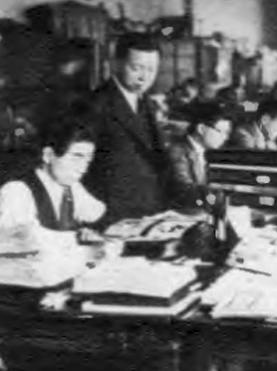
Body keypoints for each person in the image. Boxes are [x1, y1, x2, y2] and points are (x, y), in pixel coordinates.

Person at [84, 32, 170, 226]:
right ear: (116, 64)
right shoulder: (94, 104)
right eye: (136, 68)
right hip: (112, 214)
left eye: (151, 69)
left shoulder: (147, 103)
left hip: (149, 210)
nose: (144, 77)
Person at [0, 118, 105, 239]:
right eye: (77, 157)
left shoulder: (71, 186)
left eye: (88, 161)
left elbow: (96, 214)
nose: (83, 168)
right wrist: (76, 236)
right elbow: (23, 240)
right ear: (48, 155)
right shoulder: (17, 190)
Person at [168, 101, 232, 209]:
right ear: (201, 129)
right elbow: (186, 189)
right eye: (221, 132)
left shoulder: (207, 152)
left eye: (228, 133)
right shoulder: (178, 151)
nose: (225, 138)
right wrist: (220, 196)